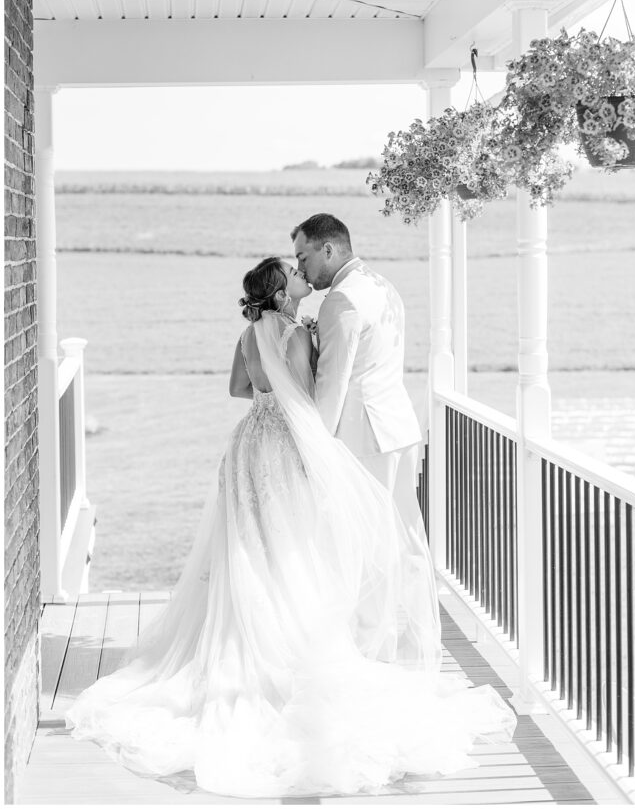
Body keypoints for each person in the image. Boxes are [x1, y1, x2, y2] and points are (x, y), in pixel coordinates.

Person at [64, 257, 515, 798]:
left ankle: (247, 636)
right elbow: (307, 400)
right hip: (283, 448)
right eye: (294, 274)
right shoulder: (298, 334)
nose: (303, 276)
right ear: (283, 293)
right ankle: (288, 645)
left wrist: (265, 391)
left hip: (246, 443)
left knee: (248, 550)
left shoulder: (247, 334)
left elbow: (239, 389)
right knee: (289, 548)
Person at [291, 213, 423, 534]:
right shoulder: (382, 285)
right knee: (405, 536)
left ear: (327, 250)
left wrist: (314, 447)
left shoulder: (342, 299)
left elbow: (332, 383)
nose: (301, 269)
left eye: (302, 257)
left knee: (364, 540)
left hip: (364, 438)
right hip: (399, 430)